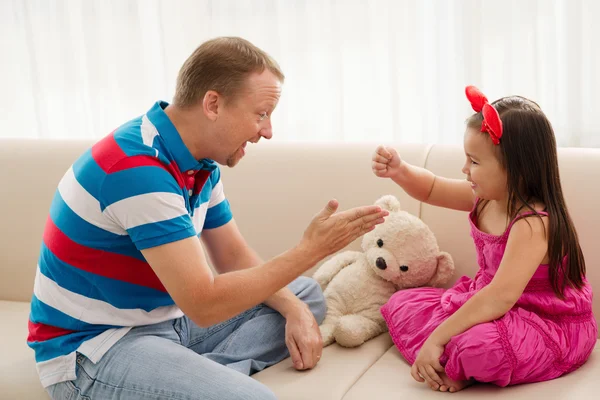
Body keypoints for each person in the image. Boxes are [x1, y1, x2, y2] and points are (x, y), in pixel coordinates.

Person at [28, 37, 389, 400]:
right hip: (94, 350)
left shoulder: (199, 161)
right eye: (261, 113)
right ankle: (200, 381)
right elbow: (203, 303)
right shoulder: (138, 171)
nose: (267, 130)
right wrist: (309, 252)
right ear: (213, 104)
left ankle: (193, 375)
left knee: (305, 296)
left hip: (167, 323)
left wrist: (293, 308)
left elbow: (231, 258)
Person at [372, 85, 597, 392]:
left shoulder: (532, 224)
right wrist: (400, 171)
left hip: (542, 322)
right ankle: (455, 360)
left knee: (478, 347)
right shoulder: (486, 198)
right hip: (488, 306)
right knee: (402, 303)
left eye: (474, 162)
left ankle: (460, 361)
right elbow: (433, 189)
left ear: (517, 170)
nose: (465, 170)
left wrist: (438, 338)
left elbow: (499, 297)